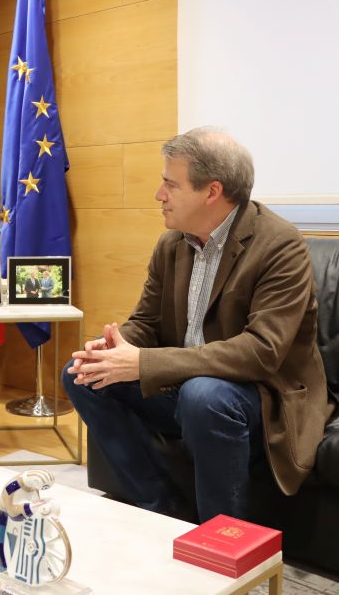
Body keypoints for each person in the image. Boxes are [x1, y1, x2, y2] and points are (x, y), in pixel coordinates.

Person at [63, 127, 335, 523]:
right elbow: (147, 322)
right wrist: (115, 348)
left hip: (261, 395)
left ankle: (221, 539)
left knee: (203, 395)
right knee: (82, 374)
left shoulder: (280, 245)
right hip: (184, 384)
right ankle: (160, 508)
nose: (159, 194)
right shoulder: (172, 243)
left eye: (170, 184)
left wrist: (144, 364)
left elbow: (262, 352)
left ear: (212, 191)